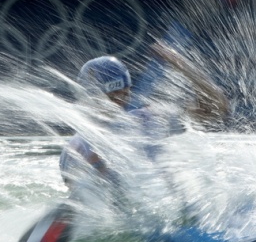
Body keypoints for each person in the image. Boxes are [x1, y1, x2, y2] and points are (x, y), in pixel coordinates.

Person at [59, 39, 231, 208]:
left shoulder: (148, 120)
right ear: (89, 96)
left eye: (124, 95)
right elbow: (78, 204)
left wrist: (180, 65)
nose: (119, 103)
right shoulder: (76, 148)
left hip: (170, 211)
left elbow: (217, 105)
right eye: (112, 96)